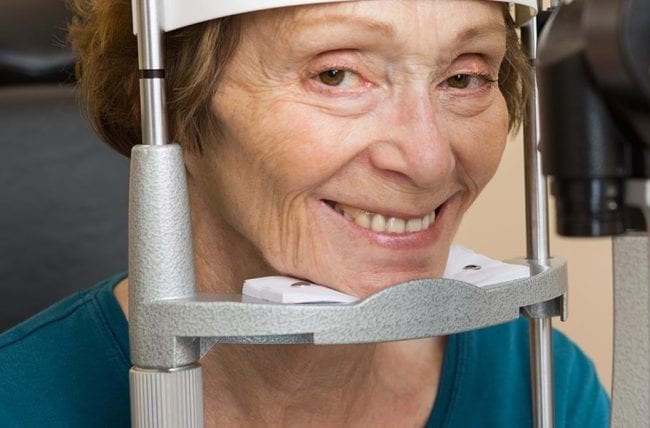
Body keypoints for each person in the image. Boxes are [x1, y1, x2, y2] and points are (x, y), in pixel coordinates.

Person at [0, 0, 610, 425]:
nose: (427, 159)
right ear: (169, 108)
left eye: (465, 78)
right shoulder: (18, 402)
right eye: (337, 74)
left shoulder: (540, 385)